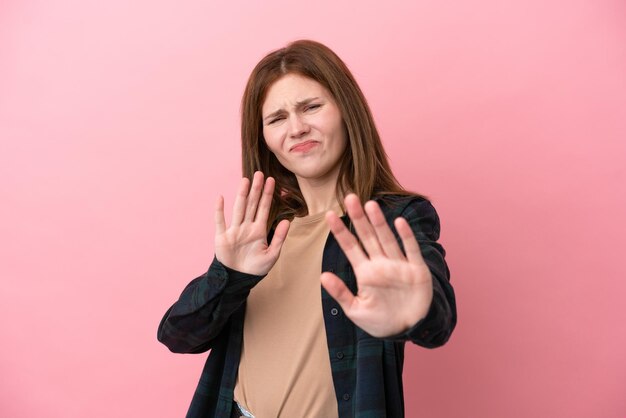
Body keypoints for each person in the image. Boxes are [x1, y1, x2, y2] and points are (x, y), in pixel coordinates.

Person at [157, 39, 457, 418]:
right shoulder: (261, 232)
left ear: (347, 112)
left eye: (311, 107)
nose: (297, 128)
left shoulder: (395, 218)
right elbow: (177, 336)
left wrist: (417, 311)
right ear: (264, 138)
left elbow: (438, 318)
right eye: (277, 118)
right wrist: (228, 274)